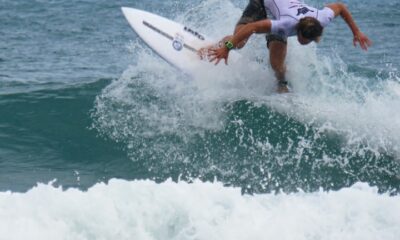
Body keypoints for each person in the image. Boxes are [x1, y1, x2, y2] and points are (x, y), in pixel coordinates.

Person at [202, 0, 372, 93]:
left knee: (277, 64)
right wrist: (228, 47)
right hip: (262, 3)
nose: (304, 43)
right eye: (302, 39)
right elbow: (251, 28)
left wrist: (356, 32)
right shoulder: (285, 24)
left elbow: (340, 6)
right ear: (298, 31)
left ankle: (281, 85)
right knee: (239, 42)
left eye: (308, 41)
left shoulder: (322, 18)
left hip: (281, 8)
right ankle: (218, 47)